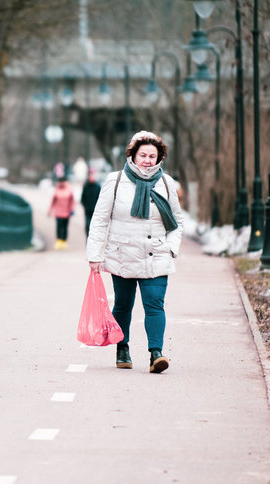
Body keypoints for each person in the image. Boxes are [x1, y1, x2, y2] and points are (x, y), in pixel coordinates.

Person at [86, 131, 184, 373]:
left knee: (155, 304)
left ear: (159, 158)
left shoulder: (167, 183)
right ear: (133, 155)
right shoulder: (116, 180)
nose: (148, 160)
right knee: (123, 305)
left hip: (157, 254)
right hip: (123, 253)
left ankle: (156, 354)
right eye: (143, 155)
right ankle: (123, 348)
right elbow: (100, 219)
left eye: (153, 156)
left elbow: (178, 221)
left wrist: (171, 248)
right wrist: (95, 255)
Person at [47, 177, 75, 250]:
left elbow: (72, 201)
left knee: (65, 227)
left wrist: (72, 209)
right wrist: (50, 210)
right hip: (58, 213)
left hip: (66, 213)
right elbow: (53, 201)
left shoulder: (69, 191)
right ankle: (58, 241)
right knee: (59, 227)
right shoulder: (57, 190)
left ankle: (64, 241)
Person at [80, 169, 101, 237]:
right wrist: (86, 207)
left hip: (96, 210)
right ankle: (88, 238)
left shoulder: (97, 186)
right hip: (88, 211)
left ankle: (95, 238)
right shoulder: (86, 186)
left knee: (96, 226)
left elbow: (101, 198)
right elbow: (82, 198)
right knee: (88, 225)